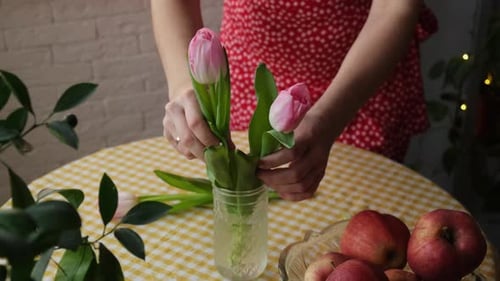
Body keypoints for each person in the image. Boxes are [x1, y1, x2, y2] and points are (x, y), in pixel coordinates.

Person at [151, 0, 437, 201]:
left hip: (357, 91)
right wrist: (184, 86)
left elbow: (394, 7)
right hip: (246, 87)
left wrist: (327, 119)